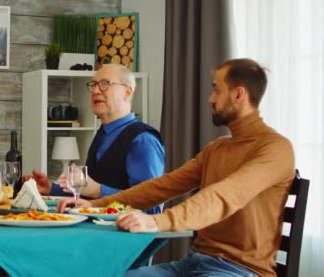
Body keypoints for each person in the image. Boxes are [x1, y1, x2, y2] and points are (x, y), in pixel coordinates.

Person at [59, 58, 295, 277]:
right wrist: (94, 205)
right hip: (193, 263)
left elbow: (224, 196)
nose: (210, 98)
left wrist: (157, 221)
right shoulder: (218, 148)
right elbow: (162, 186)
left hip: (239, 270)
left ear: (239, 94)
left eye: (216, 90)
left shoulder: (276, 149)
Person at [27, 64, 165, 214]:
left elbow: (151, 207)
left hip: (126, 236)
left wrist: (99, 191)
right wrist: (50, 188)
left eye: (105, 84)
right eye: (93, 85)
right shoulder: (103, 134)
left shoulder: (143, 140)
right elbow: (87, 195)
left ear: (127, 92)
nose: (95, 91)